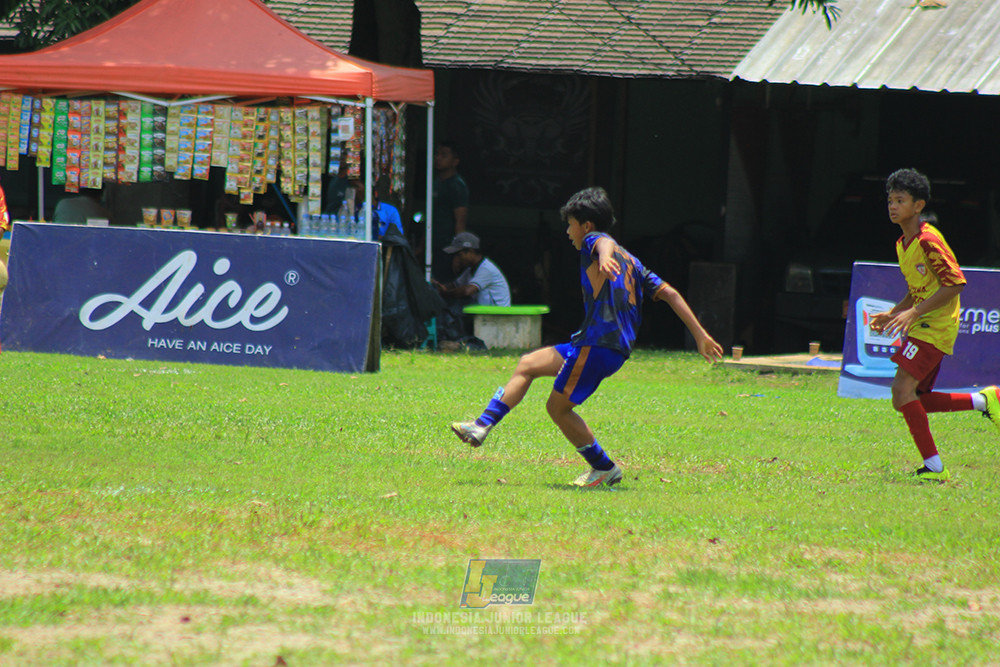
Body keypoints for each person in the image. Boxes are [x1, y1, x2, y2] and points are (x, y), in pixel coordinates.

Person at [449, 186, 723, 488]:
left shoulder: (596, 242)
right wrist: (701, 335)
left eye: (570, 224)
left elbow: (602, 242)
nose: (568, 231)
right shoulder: (634, 262)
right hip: (599, 345)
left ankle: (604, 468)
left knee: (557, 408)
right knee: (528, 364)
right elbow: (669, 293)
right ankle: (482, 426)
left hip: (598, 345)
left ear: (586, 225)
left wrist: (604, 257)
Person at [869, 168, 1000, 482]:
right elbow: (919, 288)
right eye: (890, 200)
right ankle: (983, 400)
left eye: (900, 200)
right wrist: (895, 312)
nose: (893, 206)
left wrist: (913, 314)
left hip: (936, 326)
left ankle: (934, 468)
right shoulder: (904, 244)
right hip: (923, 323)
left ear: (918, 205)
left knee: (902, 391)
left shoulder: (928, 241)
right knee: (908, 399)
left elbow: (954, 284)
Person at [432, 232, 511, 307]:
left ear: (470, 251)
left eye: (459, 255)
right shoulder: (471, 268)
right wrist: (438, 285)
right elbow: (454, 285)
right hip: (486, 315)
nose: (458, 259)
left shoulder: (486, 269)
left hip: (497, 316)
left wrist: (446, 293)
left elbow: (467, 291)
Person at [431, 141, 469, 278]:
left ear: (455, 161)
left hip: (447, 247)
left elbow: (460, 222)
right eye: (437, 154)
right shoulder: (435, 182)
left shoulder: (457, 186)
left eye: (444, 155)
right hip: (432, 244)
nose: (438, 158)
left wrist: (459, 254)